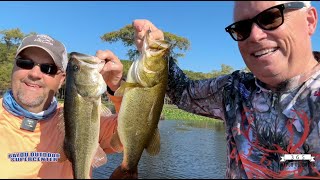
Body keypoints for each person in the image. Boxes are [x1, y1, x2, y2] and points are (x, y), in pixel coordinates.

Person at [133, 1, 320, 179]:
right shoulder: (234, 90)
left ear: (309, 21)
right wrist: (158, 51)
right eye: (242, 28)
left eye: (270, 18)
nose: (255, 35)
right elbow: (183, 92)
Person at [0, 34, 123, 178]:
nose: (34, 73)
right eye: (25, 63)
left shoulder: (77, 116)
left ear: (62, 79)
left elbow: (134, 133)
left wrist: (117, 89)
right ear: (14, 67)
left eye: (48, 68)